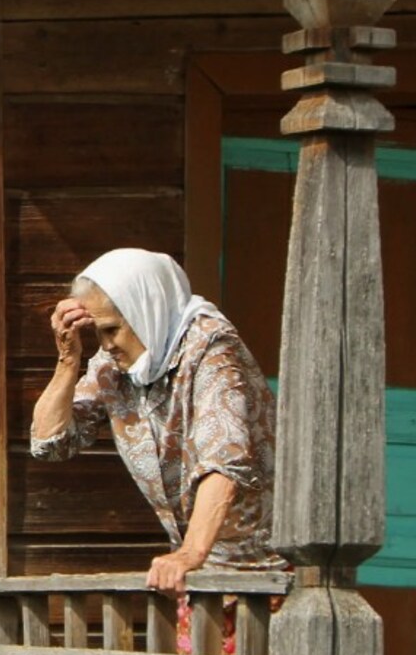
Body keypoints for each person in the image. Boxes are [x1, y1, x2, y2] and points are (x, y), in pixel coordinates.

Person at [30, 248, 284, 595]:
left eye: (113, 330)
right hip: (202, 582)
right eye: (98, 333)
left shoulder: (210, 347)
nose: (106, 345)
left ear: (144, 310)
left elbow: (226, 462)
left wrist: (189, 553)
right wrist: (67, 359)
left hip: (267, 576)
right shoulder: (112, 365)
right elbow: (50, 443)